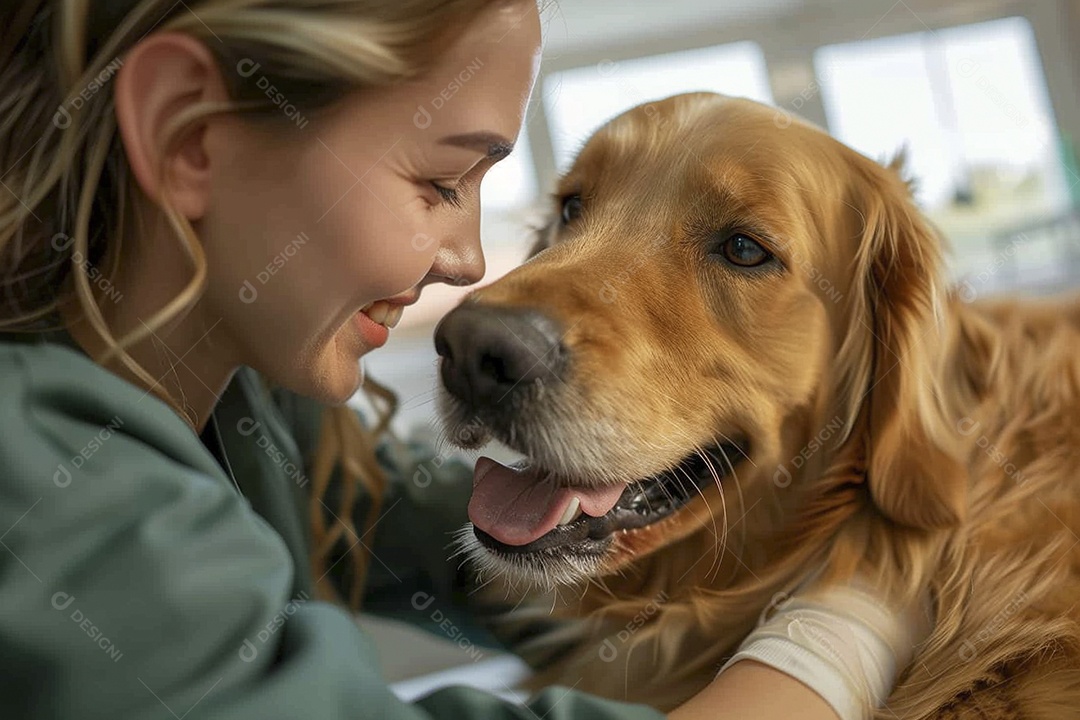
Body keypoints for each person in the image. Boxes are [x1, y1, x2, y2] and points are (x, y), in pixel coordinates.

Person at [0, 1, 927, 718]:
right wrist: (838, 639)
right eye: (439, 182)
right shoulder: (34, 472)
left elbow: (394, 521)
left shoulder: (248, 398)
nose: (474, 270)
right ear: (187, 133)